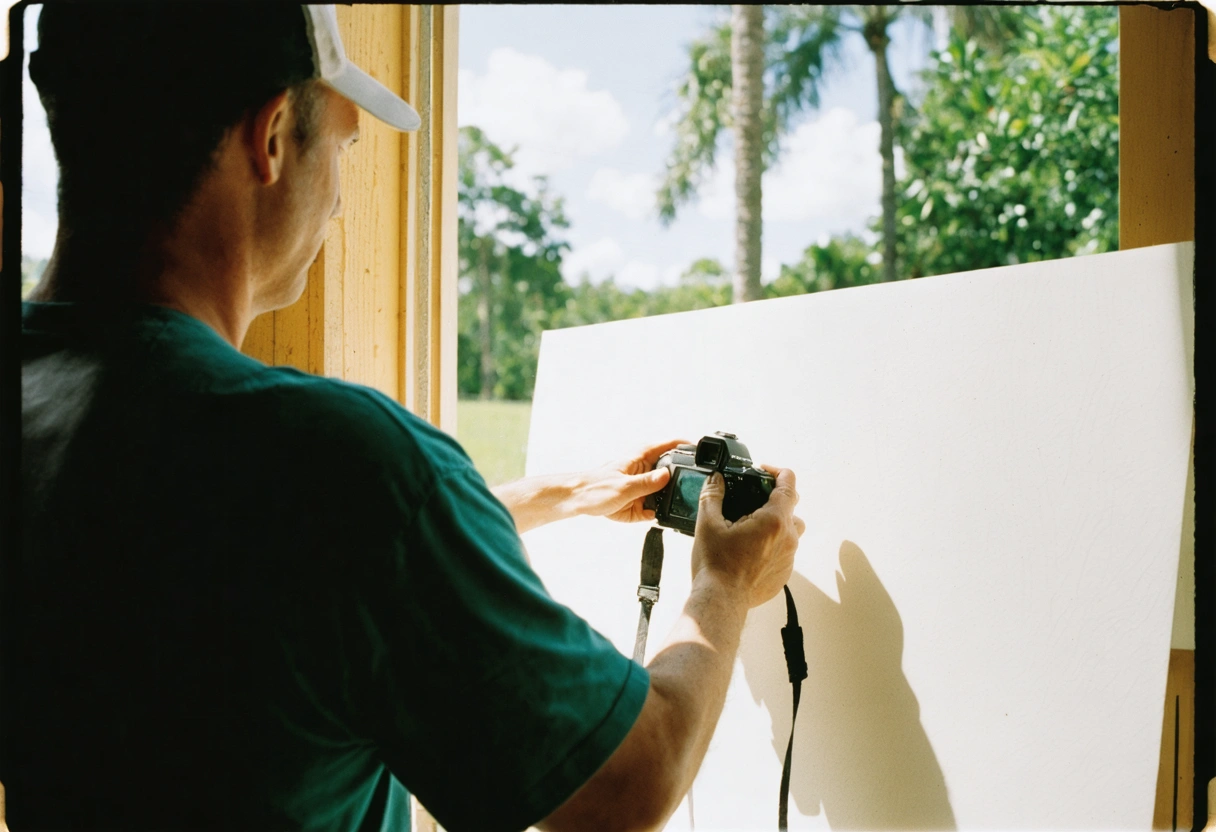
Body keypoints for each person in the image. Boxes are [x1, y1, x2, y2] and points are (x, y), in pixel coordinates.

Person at [9, 4, 804, 831]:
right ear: (273, 138)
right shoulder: (342, 468)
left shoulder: (47, 407)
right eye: (345, 144)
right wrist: (723, 584)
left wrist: (558, 494)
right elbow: (629, 785)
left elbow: (230, 552)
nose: (342, 200)